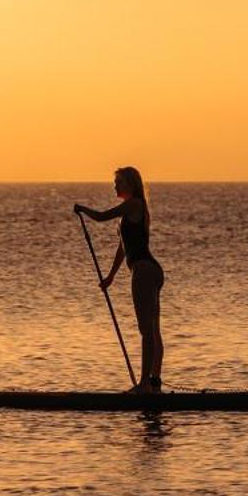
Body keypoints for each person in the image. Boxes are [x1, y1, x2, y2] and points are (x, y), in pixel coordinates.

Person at [75, 167, 164, 393]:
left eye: (119, 181)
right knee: (153, 329)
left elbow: (103, 216)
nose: (115, 186)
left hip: (143, 271)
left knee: (147, 330)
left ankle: (145, 385)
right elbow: (123, 248)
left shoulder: (134, 203)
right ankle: (154, 384)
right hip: (150, 269)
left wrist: (83, 210)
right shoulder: (133, 210)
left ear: (130, 184)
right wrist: (111, 276)